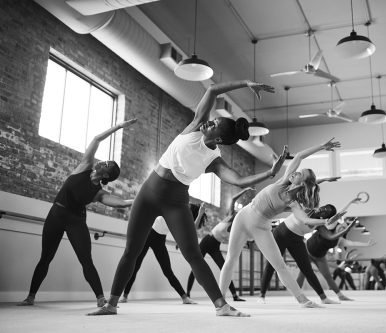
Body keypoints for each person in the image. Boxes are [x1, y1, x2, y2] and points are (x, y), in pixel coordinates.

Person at [88, 80, 287, 317]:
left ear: (220, 139)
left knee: (193, 254)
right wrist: (245, 83)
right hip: (149, 193)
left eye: (214, 124)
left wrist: (271, 173)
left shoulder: (214, 159)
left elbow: (239, 180)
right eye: (212, 119)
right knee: (132, 250)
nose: (209, 122)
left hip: (175, 201)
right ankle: (111, 303)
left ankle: (221, 306)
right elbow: (212, 90)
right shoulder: (195, 126)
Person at [18, 120, 137, 307]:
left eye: (106, 164)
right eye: (105, 160)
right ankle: (30, 297)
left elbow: (121, 203)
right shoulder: (85, 165)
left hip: (76, 221)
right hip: (56, 214)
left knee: (86, 260)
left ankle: (100, 299)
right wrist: (119, 126)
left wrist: (140, 200)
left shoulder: (98, 193)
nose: (101, 161)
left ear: (106, 175)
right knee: (46, 257)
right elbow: (97, 139)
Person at [219, 137, 341, 308]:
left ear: (302, 183)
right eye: (297, 171)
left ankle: (303, 300)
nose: (296, 172)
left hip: (261, 227)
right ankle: (220, 300)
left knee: (280, 265)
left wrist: (325, 221)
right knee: (231, 258)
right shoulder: (283, 180)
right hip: (243, 216)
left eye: (300, 174)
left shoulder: (293, 204)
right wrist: (322, 146)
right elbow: (298, 156)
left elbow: (305, 219)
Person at [259, 202, 343, 304]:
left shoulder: (320, 224)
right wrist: (326, 221)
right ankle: (261, 295)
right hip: (281, 234)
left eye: (326, 212)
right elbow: (307, 220)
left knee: (307, 269)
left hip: (297, 239)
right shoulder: (308, 209)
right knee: (271, 265)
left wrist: (342, 231)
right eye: (325, 207)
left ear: (326, 216)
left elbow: (330, 237)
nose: (323, 210)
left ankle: (323, 298)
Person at [186, 188, 255, 302]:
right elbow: (233, 199)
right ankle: (187, 293)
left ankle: (234, 296)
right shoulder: (230, 217)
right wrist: (245, 190)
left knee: (225, 267)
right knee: (196, 266)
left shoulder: (237, 229)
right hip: (207, 241)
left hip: (215, 246)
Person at [118, 215, 197, 305]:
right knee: (136, 266)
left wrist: (200, 214)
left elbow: (190, 229)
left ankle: (185, 297)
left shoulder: (179, 215)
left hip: (160, 240)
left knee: (167, 271)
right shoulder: (165, 205)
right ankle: (124, 296)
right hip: (148, 234)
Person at [297, 207, 374, 298]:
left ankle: (340, 295)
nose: (341, 228)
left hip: (320, 257)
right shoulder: (330, 226)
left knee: (328, 276)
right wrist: (351, 203)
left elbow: (353, 243)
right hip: (307, 251)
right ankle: (297, 293)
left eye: (343, 229)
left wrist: (366, 244)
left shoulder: (340, 240)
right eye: (341, 226)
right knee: (303, 272)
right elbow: (337, 214)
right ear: (337, 224)